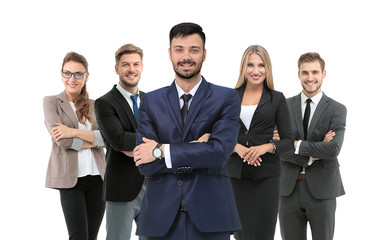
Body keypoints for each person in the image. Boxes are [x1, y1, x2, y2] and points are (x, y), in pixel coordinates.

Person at [133, 22, 242, 240]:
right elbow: (144, 163)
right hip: (160, 220)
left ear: (204, 54)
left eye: (194, 50)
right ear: (170, 54)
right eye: (179, 49)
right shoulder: (150, 101)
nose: (186, 57)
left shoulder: (226, 98)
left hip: (211, 218)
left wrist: (160, 151)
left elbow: (219, 154)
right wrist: (197, 150)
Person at [226, 45, 294, 240]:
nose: (256, 71)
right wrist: (238, 148)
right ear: (243, 68)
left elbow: (288, 141)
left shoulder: (277, 99)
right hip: (235, 177)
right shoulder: (229, 97)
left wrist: (266, 147)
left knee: (264, 235)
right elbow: (217, 136)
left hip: (267, 178)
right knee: (240, 235)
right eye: (251, 65)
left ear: (268, 68)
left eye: (261, 65)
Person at [279, 52, 347, 240]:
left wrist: (295, 144)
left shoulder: (336, 109)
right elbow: (277, 148)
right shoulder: (283, 106)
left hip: (323, 189)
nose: (310, 78)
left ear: (324, 74)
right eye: (305, 73)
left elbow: (333, 149)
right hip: (287, 190)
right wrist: (313, 153)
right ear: (298, 74)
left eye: (315, 72)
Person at [43, 52, 106, 240]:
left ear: (86, 76)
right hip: (71, 180)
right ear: (61, 74)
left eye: (78, 74)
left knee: (92, 236)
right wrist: (93, 141)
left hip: (98, 178)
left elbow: (107, 139)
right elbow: (62, 141)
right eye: (68, 73)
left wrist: (73, 132)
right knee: (78, 236)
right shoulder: (51, 102)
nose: (72, 79)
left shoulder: (96, 105)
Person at [94, 44, 147, 240]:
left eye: (136, 64)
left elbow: (169, 136)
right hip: (122, 189)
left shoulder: (152, 101)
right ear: (117, 68)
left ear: (142, 67)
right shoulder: (105, 103)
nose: (131, 69)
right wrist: (154, 145)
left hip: (154, 187)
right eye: (126, 64)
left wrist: (137, 146)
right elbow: (119, 140)